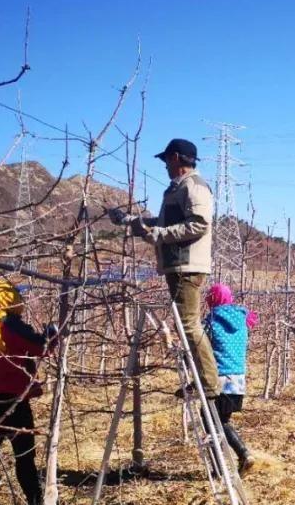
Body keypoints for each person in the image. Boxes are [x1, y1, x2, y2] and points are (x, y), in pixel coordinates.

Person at [110, 138, 220, 400]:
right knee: (185, 323)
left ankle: (208, 383)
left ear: (175, 158)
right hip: (177, 264)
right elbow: (161, 223)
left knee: (188, 323)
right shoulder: (177, 189)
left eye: (166, 160)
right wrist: (130, 221)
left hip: (187, 264)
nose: (164, 166)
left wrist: (158, 234)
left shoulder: (194, 187)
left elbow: (199, 224)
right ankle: (206, 381)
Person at [0, 279, 58, 505]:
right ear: (8, 299)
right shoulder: (10, 323)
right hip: (15, 400)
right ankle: (36, 500)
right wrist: (52, 332)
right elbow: (42, 346)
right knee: (25, 456)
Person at [203, 283, 259, 473]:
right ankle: (236, 458)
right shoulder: (243, 319)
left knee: (211, 421)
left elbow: (199, 344)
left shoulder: (211, 320)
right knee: (221, 420)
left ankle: (233, 459)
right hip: (238, 380)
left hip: (218, 378)